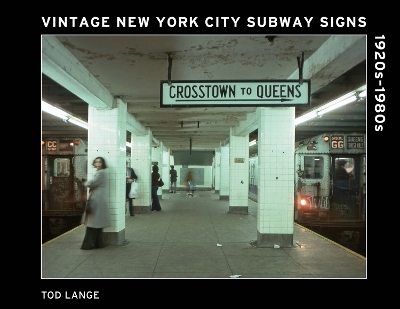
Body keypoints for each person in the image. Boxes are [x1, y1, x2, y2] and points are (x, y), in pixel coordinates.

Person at [81, 156, 112, 250]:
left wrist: (85, 183)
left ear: (103, 164)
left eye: (100, 162)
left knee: (92, 223)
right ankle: (99, 243)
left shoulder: (101, 173)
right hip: (98, 199)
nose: (97, 164)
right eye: (96, 162)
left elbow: (92, 183)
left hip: (96, 200)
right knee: (96, 224)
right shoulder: (101, 173)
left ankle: (88, 245)